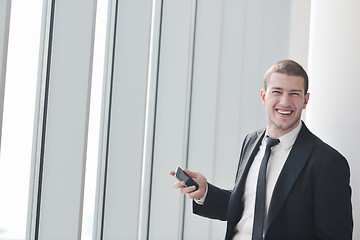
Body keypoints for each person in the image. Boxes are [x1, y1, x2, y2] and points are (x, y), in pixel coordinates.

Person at [170, 59, 353, 240]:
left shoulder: (327, 163)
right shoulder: (251, 142)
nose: (285, 101)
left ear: (305, 100)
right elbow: (248, 207)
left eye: (294, 94)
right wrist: (205, 193)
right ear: (263, 96)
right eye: (277, 92)